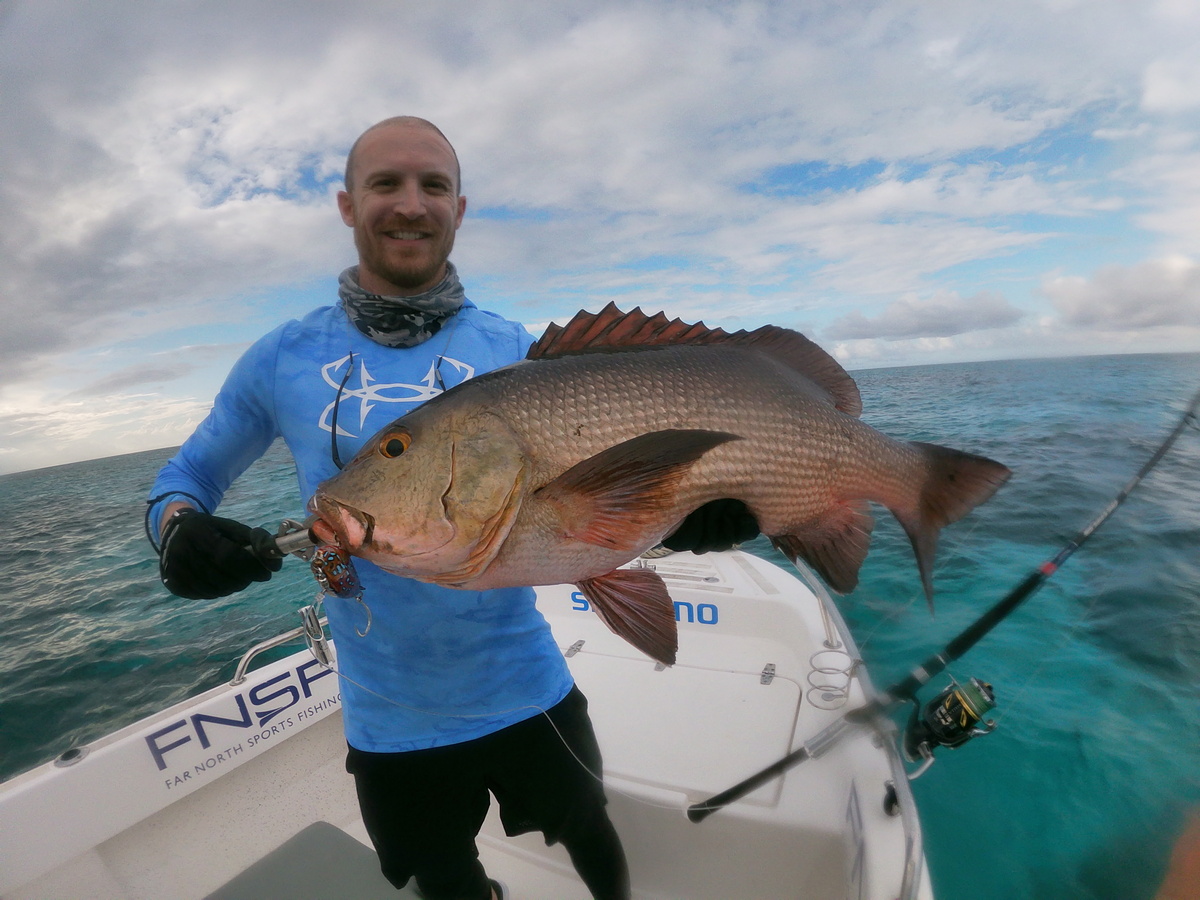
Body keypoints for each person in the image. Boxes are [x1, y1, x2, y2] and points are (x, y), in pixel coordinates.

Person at [147, 116, 755, 900]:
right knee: (442, 879)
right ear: (346, 204)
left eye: (433, 185)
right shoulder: (282, 357)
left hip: (526, 685)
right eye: (385, 183)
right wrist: (179, 532)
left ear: (459, 208)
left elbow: (600, 497)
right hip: (387, 715)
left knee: (590, 831)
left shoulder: (513, 350)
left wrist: (689, 516)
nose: (410, 203)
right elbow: (186, 475)